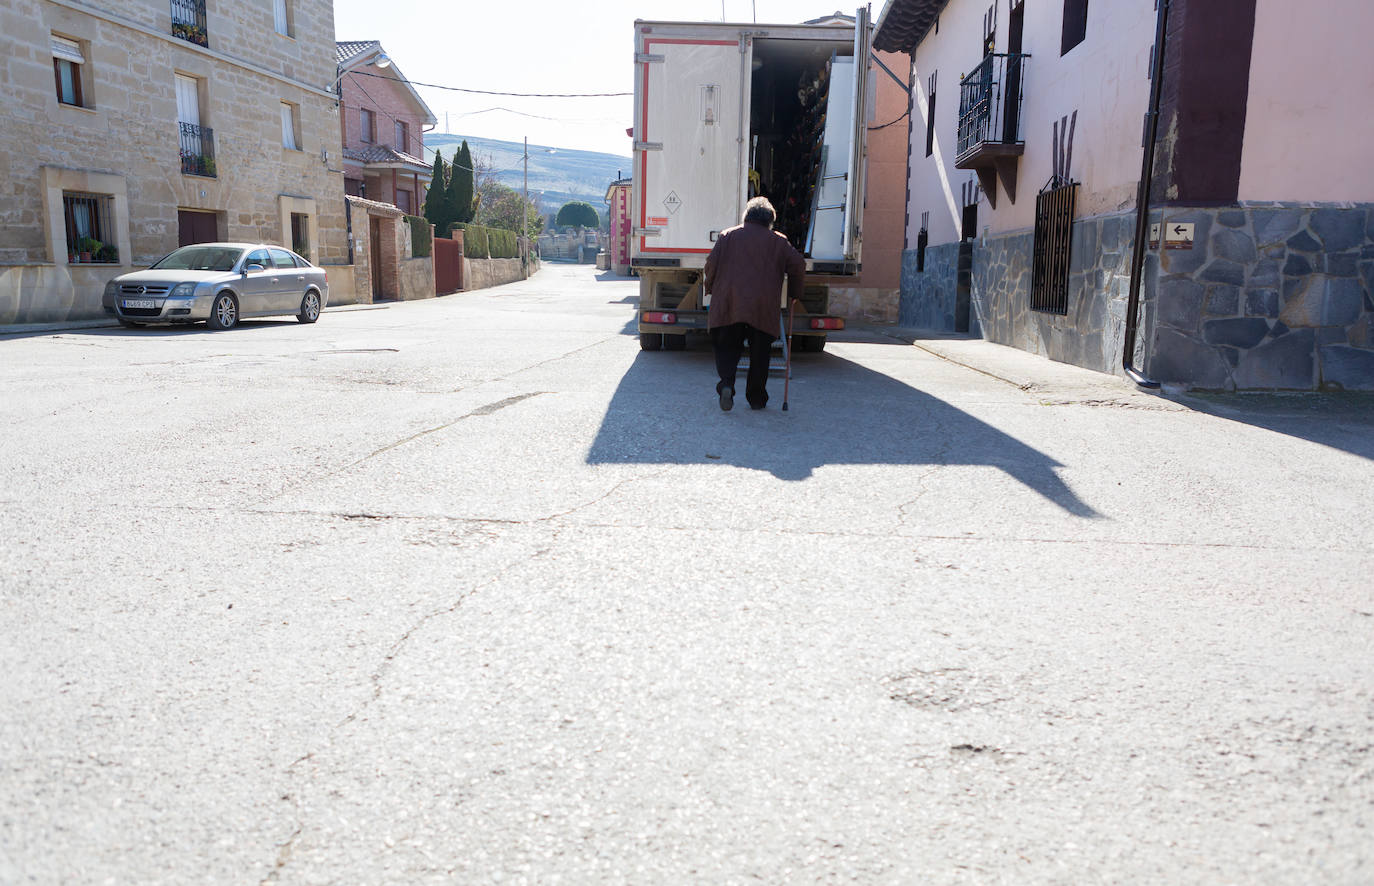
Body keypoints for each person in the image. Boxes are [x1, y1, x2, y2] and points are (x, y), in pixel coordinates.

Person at [703, 196, 805, 411]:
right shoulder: (779, 241)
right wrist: (794, 294)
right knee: (760, 353)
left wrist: (710, 287)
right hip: (763, 307)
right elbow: (798, 265)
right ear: (770, 220)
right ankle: (757, 398)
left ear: (746, 217)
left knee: (727, 348)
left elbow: (710, 265)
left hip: (730, 303)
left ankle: (726, 385)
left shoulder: (727, 236)